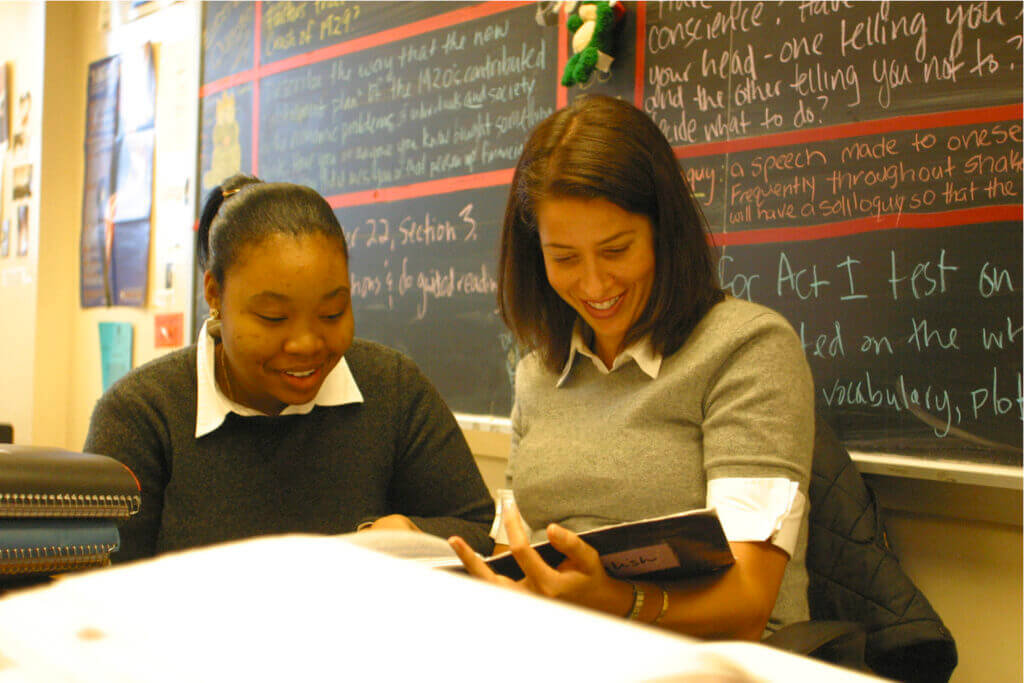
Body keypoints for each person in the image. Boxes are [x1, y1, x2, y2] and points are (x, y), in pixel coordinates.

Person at [448, 95, 814, 641]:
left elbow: (749, 606)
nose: (594, 286)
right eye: (564, 258)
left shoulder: (746, 348)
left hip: (713, 665)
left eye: (616, 250)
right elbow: (515, 556)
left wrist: (615, 601)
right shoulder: (539, 373)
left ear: (663, 233)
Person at [85, 174, 495, 562]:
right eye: (273, 318)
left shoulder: (392, 388)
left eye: (332, 313)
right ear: (215, 293)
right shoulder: (141, 415)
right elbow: (96, 589)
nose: (307, 344)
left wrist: (409, 533)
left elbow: (475, 527)